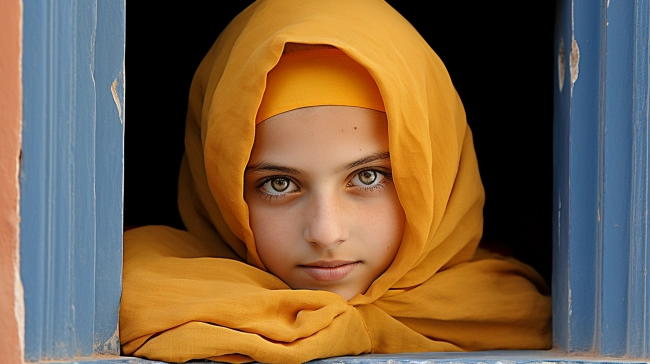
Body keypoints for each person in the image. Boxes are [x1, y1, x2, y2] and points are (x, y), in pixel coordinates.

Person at [119, 1, 551, 363]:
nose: (326, 233)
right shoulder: (137, 301)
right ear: (221, 192)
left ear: (436, 176)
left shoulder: (513, 316)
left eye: (368, 176)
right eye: (279, 185)